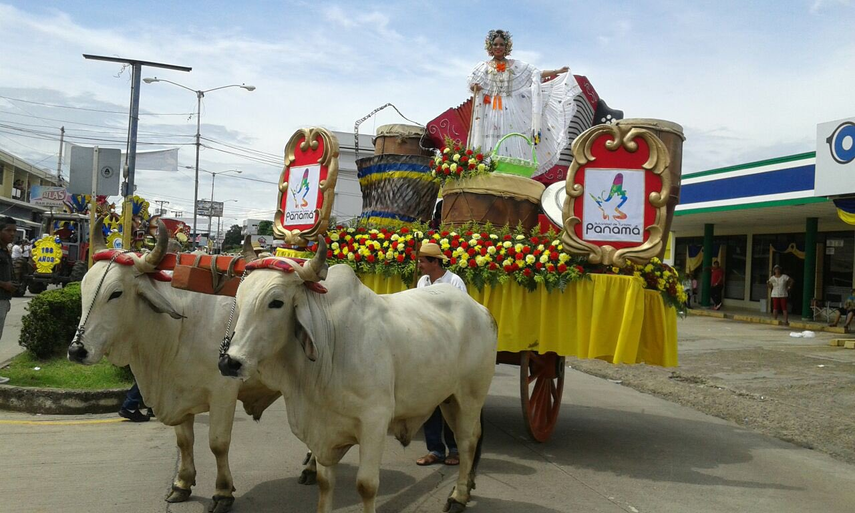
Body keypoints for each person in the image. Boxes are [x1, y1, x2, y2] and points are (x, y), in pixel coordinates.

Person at [468, 29, 582, 176]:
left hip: (511, 110)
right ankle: (488, 170)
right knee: (490, 137)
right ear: (490, 46)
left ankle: (509, 172)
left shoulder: (516, 65)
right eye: (495, 44)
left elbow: (536, 73)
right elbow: (472, 82)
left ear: (506, 46)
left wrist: (556, 71)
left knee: (509, 137)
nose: (498, 47)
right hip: (491, 110)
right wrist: (475, 87)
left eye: (501, 44)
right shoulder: (483, 66)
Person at [414, 242, 466, 467]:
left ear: (435, 262)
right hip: (427, 350)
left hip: (449, 350)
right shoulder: (422, 282)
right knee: (430, 401)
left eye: (423, 261)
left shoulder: (454, 282)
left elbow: (462, 315)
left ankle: (455, 449)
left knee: (451, 402)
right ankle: (435, 449)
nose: (420, 265)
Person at [0, 218, 18, 384]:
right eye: (8, 230)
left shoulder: (6, 250)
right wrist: (4, 284)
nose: (12, 234)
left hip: (4, 299)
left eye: (14, 231)